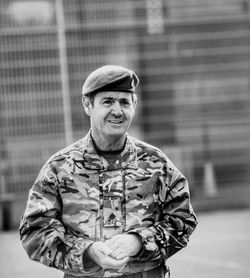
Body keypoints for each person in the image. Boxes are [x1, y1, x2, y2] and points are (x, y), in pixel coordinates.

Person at [19, 65, 198, 278]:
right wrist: (87, 251)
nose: (117, 110)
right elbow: (34, 231)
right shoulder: (59, 168)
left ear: (134, 105)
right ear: (87, 105)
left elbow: (183, 220)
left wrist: (139, 241)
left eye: (124, 102)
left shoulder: (157, 164)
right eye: (107, 102)